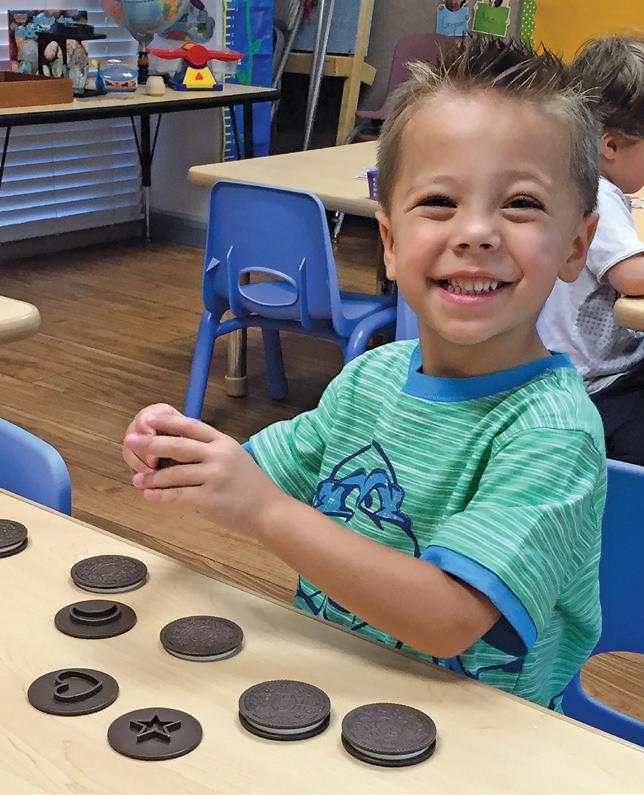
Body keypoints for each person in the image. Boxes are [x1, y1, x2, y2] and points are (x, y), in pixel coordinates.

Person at [122, 35, 605, 711]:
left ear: (576, 245)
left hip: (480, 736)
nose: (475, 232)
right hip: (334, 697)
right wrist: (185, 452)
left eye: (520, 203)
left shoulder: (552, 433)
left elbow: (449, 619)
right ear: (390, 241)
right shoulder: (369, 378)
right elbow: (258, 472)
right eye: (439, 201)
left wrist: (263, 511)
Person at [538, 34, 644, 472]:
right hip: (599, 385)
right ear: (611, 145)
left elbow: (608, 263)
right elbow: (632, 278)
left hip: (584, 371)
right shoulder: (598, 192)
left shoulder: (567, 180)